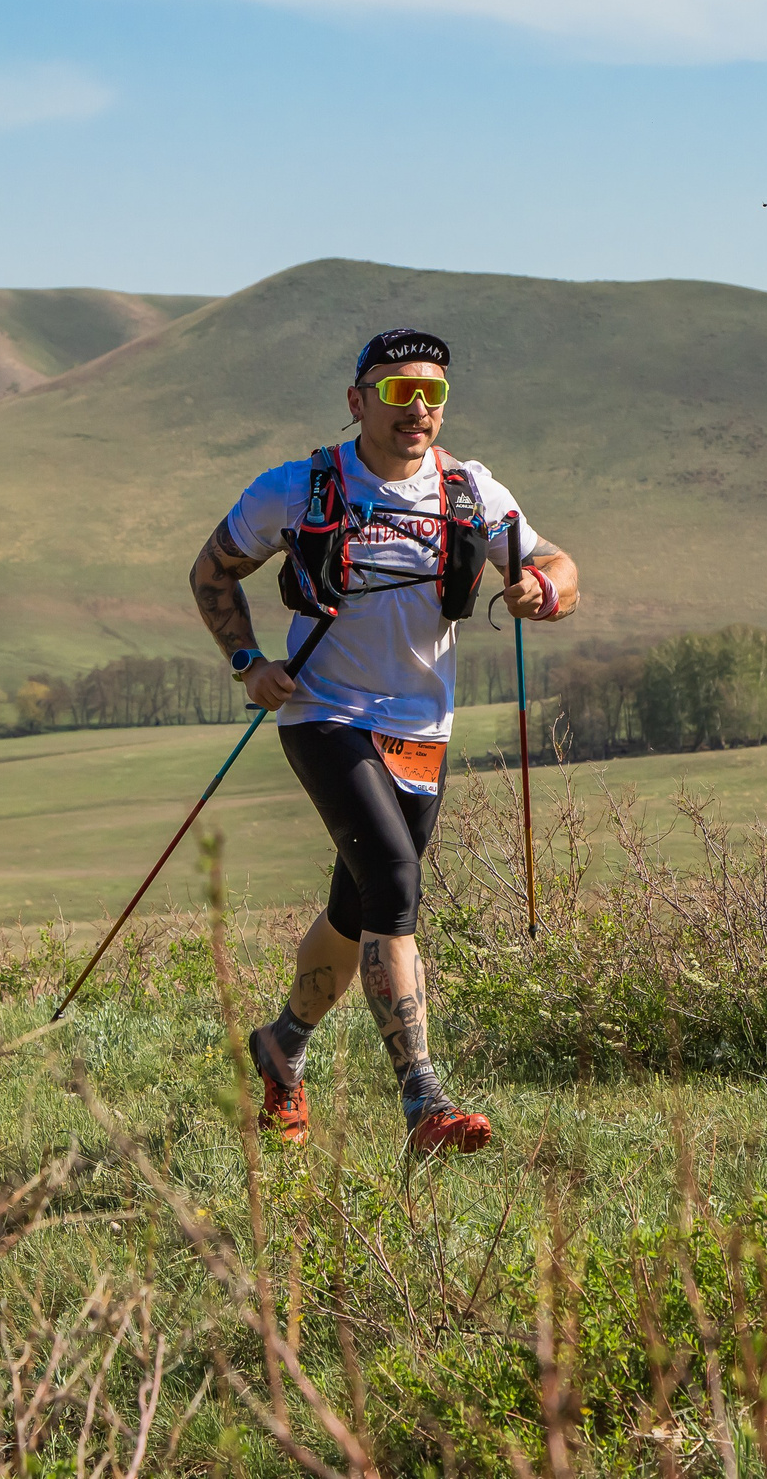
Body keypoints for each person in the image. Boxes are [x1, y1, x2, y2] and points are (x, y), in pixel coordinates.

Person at [190, 328, 579, 1155]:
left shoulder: (471, 490)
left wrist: (542, 589)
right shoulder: (295, 489)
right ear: (358, 401)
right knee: (396, 882)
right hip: (322, 712)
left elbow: (558, 565)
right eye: (400, 393)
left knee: (356, 906)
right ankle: (424, 1101)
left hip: (420, 729)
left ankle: (281, 1047)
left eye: (434, 394)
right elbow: (211, 572)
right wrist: (247, 662)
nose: (420, 409)